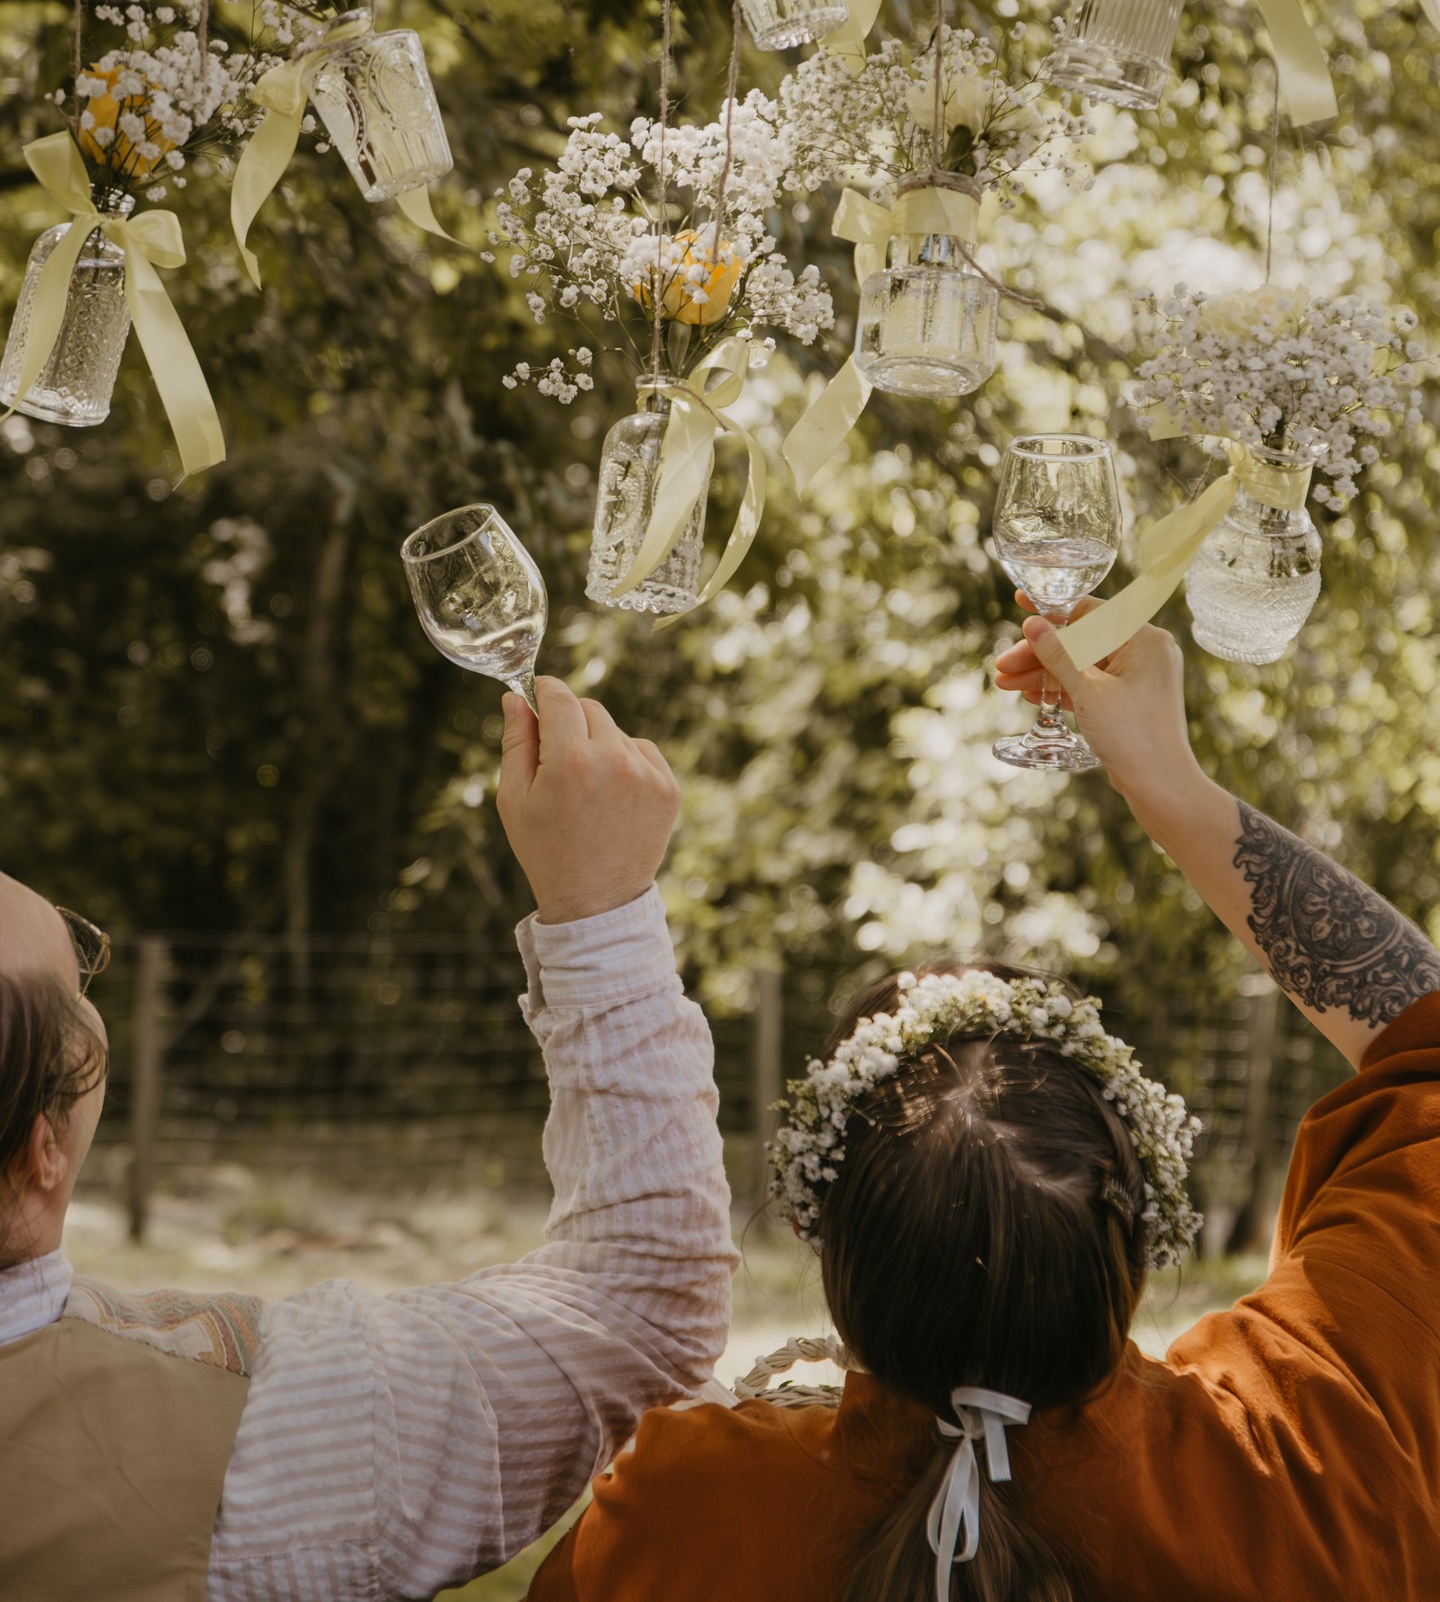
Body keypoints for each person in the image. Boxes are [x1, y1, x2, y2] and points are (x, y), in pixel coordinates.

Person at [525, 612, 1440, 1602]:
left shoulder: (677, 1519)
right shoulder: (1310, 1476)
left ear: (832, 1246)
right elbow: (1424, 1040)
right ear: (1133, 1235)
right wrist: (1170, 785)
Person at [0, 679, 738, 1602]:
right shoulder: (253, 1445)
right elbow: (641, 1304)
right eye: (82, 977)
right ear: (43, 1148)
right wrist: (601, 907)